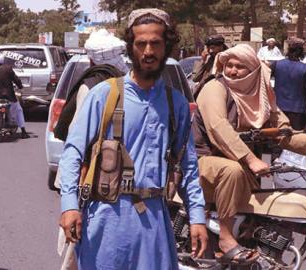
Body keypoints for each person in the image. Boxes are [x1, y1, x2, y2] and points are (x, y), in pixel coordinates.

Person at [59, 8, 207, 269]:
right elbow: (73, 151)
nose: (148, 51)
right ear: (131, 47)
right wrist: (69, 205)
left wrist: (197, 217)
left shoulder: (177, 105)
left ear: (167, 47)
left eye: (156, 43)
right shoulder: (104, 95)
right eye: (141, 44)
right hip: (106, 221)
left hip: (155, 222)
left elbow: (189, 167)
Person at [193, 44, 306, 266]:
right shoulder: (215, 88)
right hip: (203, 161)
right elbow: (219, 128)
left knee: (261, 212)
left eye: (240, 67)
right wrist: (251, 159)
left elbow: (285, 134)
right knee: (232, 170)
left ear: (253, 71)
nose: (232, 71)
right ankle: (225, 236)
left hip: (242, 168)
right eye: (229, 65)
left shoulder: (261, 96)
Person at [55, 28, 128, 270]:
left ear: (92, 59)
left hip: (109, 176)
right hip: (92, 174)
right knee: (80, 240)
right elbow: (79, 140)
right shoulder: (97, 86)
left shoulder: (111, 83)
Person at [271, 37, 306, 130]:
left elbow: (264, 80)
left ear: (289, 50)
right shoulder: (305, 68)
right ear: (301, 51)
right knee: (296, 139)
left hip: (278, 111)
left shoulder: (277, 65)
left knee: (278, 139)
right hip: (298, 112)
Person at [0, 52, 29, 139]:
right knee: (18, 110)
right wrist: (20, 86)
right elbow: (16, 79)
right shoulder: (8, 68)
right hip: (8, 97)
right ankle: (23, 131)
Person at [192, 34, 228, 99]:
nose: (210, 51)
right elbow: (195, 78)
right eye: (209, 48)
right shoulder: (208, 60)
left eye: (213, 48)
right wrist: (203, 61)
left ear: (221, 47)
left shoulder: (229, 59)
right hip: (205, 96)